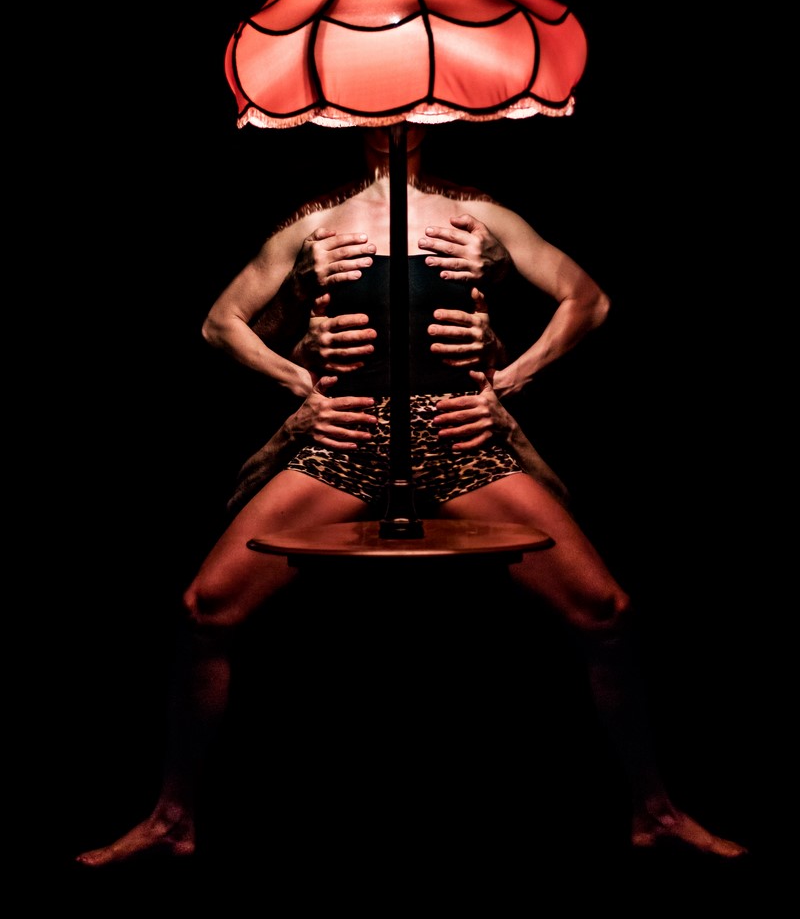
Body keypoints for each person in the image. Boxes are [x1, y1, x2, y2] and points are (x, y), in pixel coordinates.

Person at [75, 123, 747, 866]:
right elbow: (219, 322)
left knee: (605, 610)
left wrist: (506, 383)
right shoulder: (317, 223)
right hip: (351, 436)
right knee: (206, 608)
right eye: (378, 106)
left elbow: (587, 298)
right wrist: (302, 385)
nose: (395, 119)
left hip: (454, 436)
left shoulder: (477, 217)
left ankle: (655, 813)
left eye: (412, 107)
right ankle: (172, 821)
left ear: (432, 116)